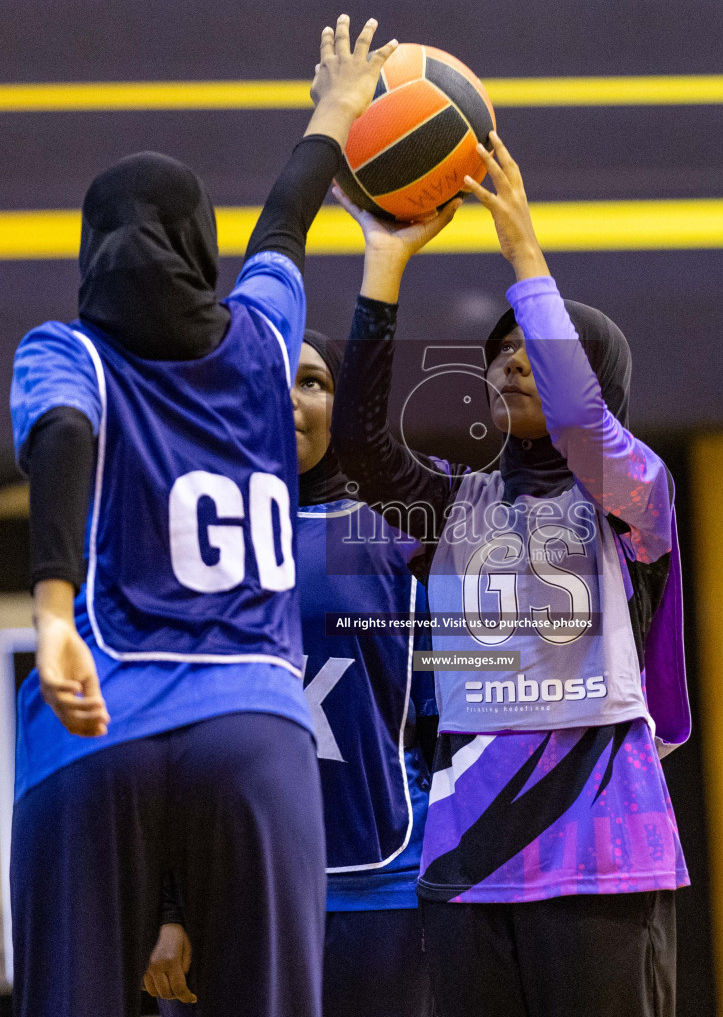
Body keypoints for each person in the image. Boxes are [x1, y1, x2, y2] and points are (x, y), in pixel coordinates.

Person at [6, 17, 397, 1017]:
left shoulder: (68, 351)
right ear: (195, 245)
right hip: (255, 727)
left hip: (102, 717)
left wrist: (55, 613)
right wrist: (336, 109)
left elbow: (61, 440)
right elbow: (281, 226)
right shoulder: (267, 337)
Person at [329, 133, 692, 1017]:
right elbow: (363, 449)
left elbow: (580, 421)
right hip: (469, 852)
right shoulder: (454, 506)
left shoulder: (633, 495)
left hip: (600, 848)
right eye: (499, 349)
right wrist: (384, 263)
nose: (512, 359)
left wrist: (523, 253)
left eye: (534, 344)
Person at [145, 330, 437, 1017]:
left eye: (312, 381)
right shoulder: (191, 548)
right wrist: (167, 908)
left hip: (379, 891)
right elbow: (162, 748)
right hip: (227, 895)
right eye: (268, 379)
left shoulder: (399, 542)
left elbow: (451, 728)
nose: (289, 398)